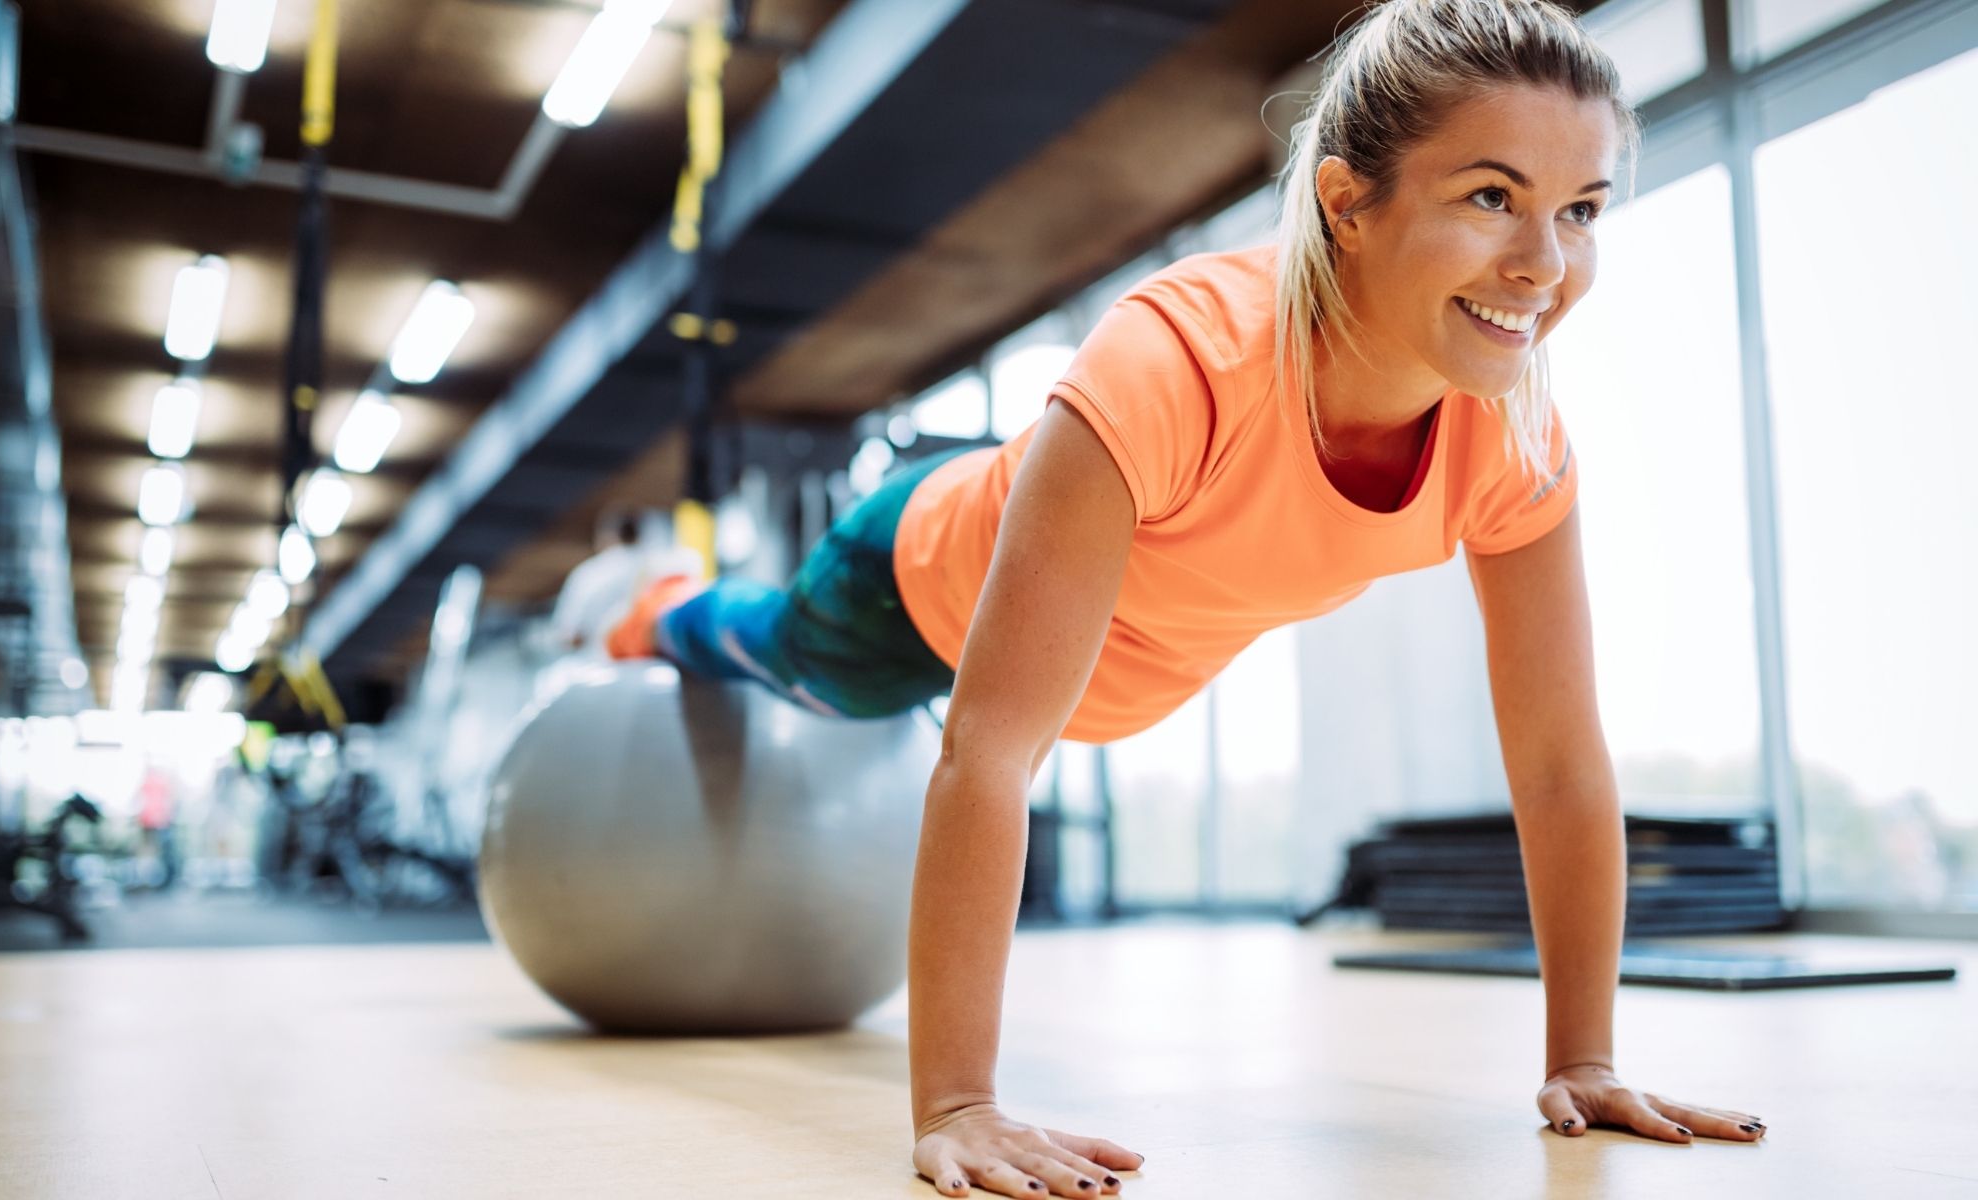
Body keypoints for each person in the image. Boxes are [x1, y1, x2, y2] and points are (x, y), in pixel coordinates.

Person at [606, 1, 1770, 1193]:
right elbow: (990, 748)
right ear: (1343, 202)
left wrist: (1582, 1055)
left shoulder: (1512, 441)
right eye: (1489, 196)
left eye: (1580, 210)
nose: (1542, 263)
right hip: (905, 585)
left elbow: (1560, 763)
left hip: (1095, 677)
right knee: (776, 656)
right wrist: (956, 1103)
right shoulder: (1176, 365)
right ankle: (663, 611)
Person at [551, 510, 696, 657]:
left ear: (606, 536)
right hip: (659, 664)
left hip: (605, 667)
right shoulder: (661, 566)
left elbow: (570, 635)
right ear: (638, 535)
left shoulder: (588, 574)